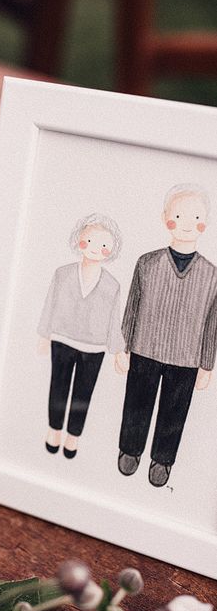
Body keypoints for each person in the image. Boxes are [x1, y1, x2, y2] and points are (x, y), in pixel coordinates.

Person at [118, 183, 217, 487]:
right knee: (137, 402)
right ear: (165, 218)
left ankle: (162, 459)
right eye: (178, 215)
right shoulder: (147, 263)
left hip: (186, 357)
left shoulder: (212, 275)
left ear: (205, 223)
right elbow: (132, 305)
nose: (186, 225)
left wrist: (206, 365)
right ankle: (130, 449)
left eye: (195, 218)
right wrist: (123, 346)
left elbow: (213, 323)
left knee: (174, 412)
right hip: (144, 347)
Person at [38, 213, 127, 458]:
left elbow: (113, 320)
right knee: (58, 386)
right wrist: (44, 334)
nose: (96, 249)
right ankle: (54, 429)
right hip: (63, 339)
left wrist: (118, 350)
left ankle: (73, 435)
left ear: (111, 249)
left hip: (95, 347)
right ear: (79, 241)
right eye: (90, 241)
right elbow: (49, 304)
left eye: (104, 245)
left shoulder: (112, 285)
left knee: (83, 393)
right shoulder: (63, 273)